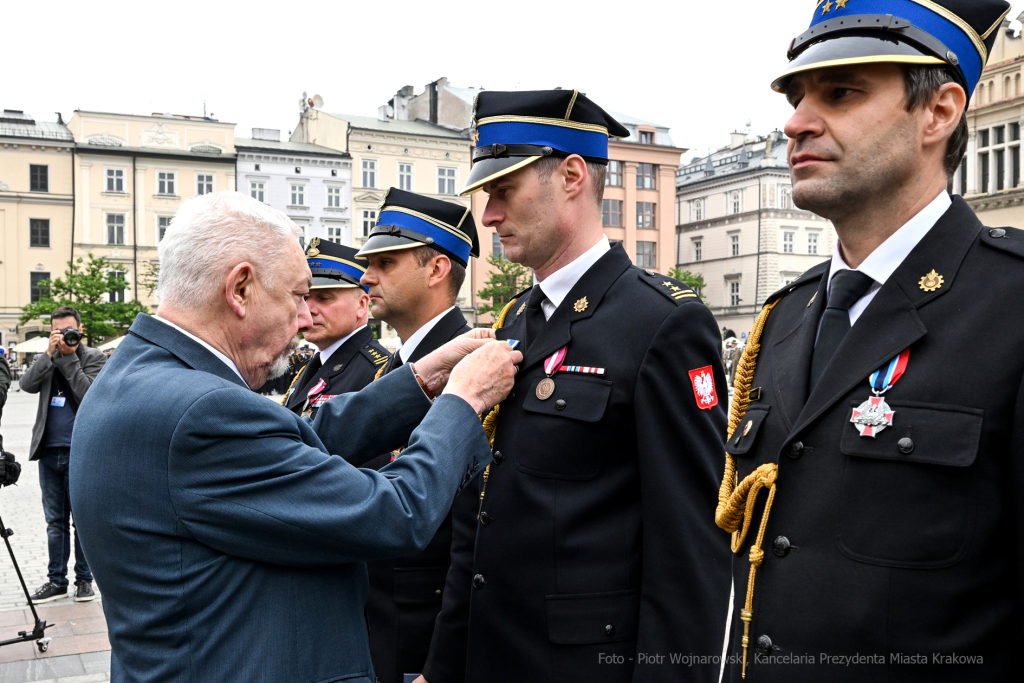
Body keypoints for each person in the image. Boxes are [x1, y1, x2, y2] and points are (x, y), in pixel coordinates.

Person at [68, 191, 521, 683]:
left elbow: (298, 440)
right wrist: (463, 401)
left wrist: (420, 381)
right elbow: (395, 512)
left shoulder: (139, 377)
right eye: (298, 295)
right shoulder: (203, 410)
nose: (305, 319)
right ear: (239, 289)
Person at [715, 1, 1021, 680]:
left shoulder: (1011, 306)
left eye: (842, 92)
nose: (795, 123)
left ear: (939, 113)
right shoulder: (783, 321)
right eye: (796, 98)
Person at [420, 89, 732, 683]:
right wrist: (441, 666)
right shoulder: (515, 319)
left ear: (570, 175)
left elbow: (691, 555)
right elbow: (478, 521)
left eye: (502, 191)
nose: (487, 215)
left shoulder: (661, 322)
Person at [354, 188, 479, 683]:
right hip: (377, 625)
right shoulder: (394, 370)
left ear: (437, 269)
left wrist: (441, 664)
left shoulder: (471, 367)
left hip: (424, 637)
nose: (366, 277)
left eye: (385, 262)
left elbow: (473, 537)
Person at [19, 306, 105, 604]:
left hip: (82, 452)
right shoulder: (49, 357)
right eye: (58, 331)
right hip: (48, 453)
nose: (66, 336)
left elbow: (90, 394)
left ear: (80, 330)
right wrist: (48, 355)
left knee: (81, 521)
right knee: (54, 522)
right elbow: (26, 384)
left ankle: (84, 581)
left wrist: (68, 359)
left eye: (69, 330)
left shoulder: (93, 357)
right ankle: (56, 581)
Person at [281, 239, 389, 418]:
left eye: (324, 298)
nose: (309, 309)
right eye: (305, 298)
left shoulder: (380, 371)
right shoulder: (314, 365)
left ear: (362, 305)